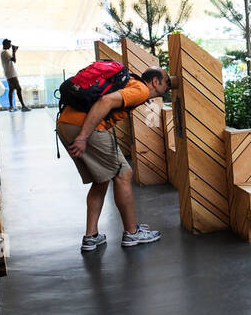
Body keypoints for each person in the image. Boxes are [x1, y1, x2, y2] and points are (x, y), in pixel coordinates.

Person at [56, 67, 175, 251]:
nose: (169, 86)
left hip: (66, 123)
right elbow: (106, 100)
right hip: (83, 127)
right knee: (124, 174)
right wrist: (83, 137)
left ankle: (91, 236)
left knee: (101, 180)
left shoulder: (132, 83)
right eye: (167, 82)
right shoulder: (141, 90)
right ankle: (132, 233)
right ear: (155, 82)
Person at [0, 39, 29, 111]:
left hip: (9, 73)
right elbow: (14, 60)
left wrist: (13, 51)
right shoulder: (5, 52)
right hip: (11, 74)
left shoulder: (3, 52)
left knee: (11, 89)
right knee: (18, 88)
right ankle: (23, 106)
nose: (10, 45)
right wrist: (14, 51)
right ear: (5, 44)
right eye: (9, 44)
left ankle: (11, 107)